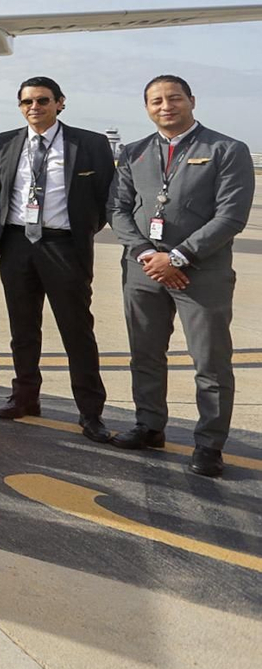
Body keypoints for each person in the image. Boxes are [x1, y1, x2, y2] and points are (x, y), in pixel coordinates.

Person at [109, 75, 255, 477]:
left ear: (192, 100)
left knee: (210, 362)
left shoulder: (226, 149)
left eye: (174, 98)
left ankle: (209, 444)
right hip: (143, 271)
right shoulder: (134, 152)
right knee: (145, 354)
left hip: (200, 274)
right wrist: (145, 254)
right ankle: (149, 424)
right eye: (156, 100)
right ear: (147, 107)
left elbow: (231, 216)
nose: (166, 106)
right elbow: (117, 210)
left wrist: (177, 256)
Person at [0, 76, 114, 442]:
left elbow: (105, 196)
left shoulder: (89, 143)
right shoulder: (7, 141)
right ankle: (25, 397)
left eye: (43, 101)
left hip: (64, 246)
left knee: (76, 331)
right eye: (27, 102)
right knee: (23, 330)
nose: (34, 108)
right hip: (16, 243)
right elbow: (0, 186)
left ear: (60, 103)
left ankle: (91, 413)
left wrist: (81, 230)